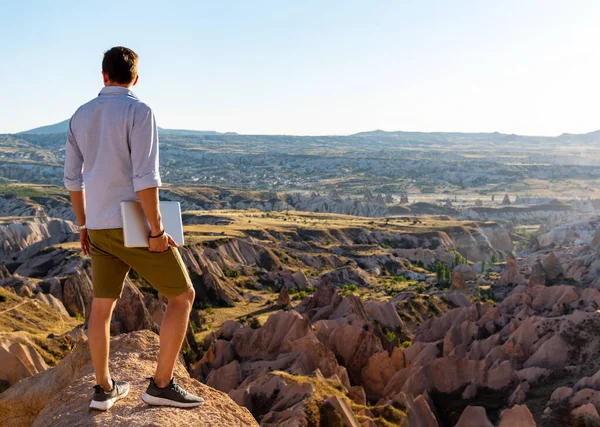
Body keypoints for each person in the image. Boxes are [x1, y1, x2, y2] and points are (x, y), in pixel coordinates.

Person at [63, 46, 204, 411]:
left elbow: (72, 181)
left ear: (103, 76)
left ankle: (104, 388)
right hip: (132, 226)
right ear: (136, 78)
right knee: (183, 296)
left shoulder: (79, 116)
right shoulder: (139, 112)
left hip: (97, 225)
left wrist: (83, 225)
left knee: (101, 309)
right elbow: (145, 178)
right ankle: (161, 385)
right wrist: (156, 231)